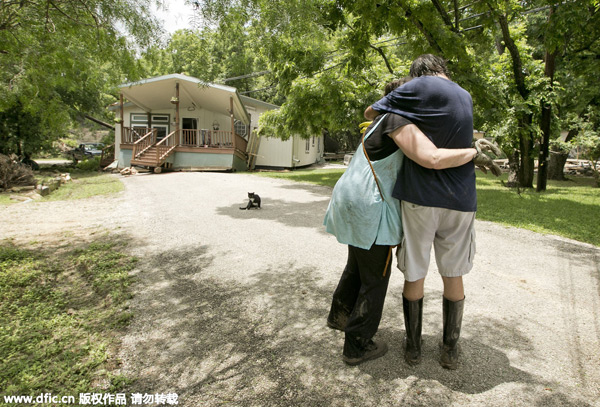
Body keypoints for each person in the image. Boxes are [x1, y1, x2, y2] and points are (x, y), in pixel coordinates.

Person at [325, 77, 479, 366]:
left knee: (357, 265)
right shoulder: (397, 120)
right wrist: (472, 152)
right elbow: (430, 156)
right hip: (370, 208)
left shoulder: (379, 120)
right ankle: (357, 345)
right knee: (376, 277)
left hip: (350, 199)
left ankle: (340, 316)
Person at [364, 54, 479, 369]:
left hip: (420, 196)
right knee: (453, 273)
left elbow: (371, 111)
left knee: (415, 271)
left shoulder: (416, 87)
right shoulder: (465, 95)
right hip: (462, 198)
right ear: (444, 69)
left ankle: (413, 347)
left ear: (416, 74)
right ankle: (450, 349)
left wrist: (402, 107)